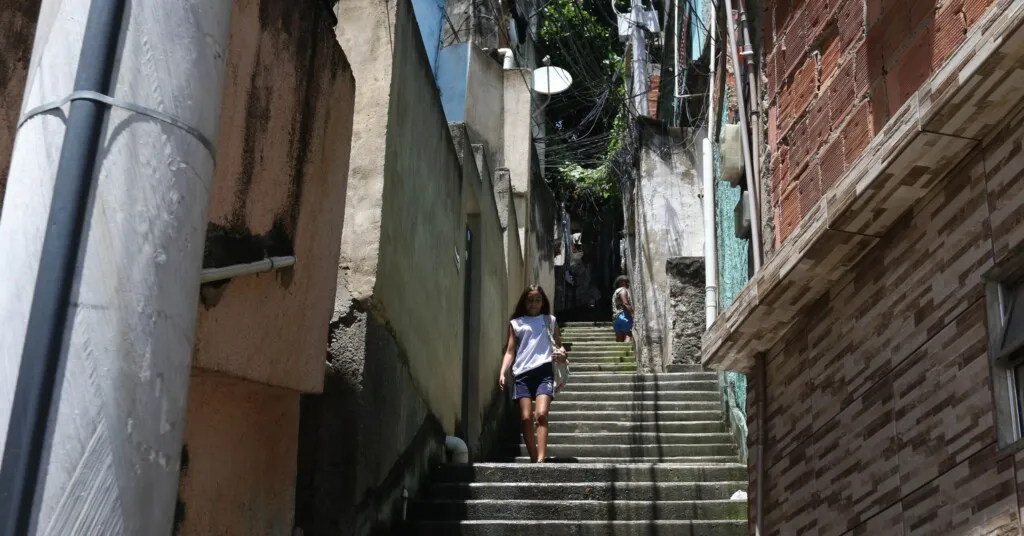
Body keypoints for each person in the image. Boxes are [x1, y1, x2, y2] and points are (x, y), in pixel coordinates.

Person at [498, 285, 567, 463]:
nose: (534, 303)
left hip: (544, 370)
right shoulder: (516, 323)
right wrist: (503, 372)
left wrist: (562, 353)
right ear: (524, 301)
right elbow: (510, 351)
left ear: (542, 302)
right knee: (526, 417)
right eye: (530, 300)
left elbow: (560, 345)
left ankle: (541, 461)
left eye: (537, 300)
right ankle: (534, 458)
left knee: (541, 414)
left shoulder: (549, 320)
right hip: (522, 373)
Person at [612, 275, 633, 343]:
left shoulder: (615, 292)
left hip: (616, 317)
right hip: (624, 315)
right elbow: (625, 303)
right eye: (626, 282)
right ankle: (626, 352)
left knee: (619, 338)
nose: (628, 284)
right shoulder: (623, 290)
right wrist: (632, 314)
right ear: (621, 283)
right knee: (628, 335)